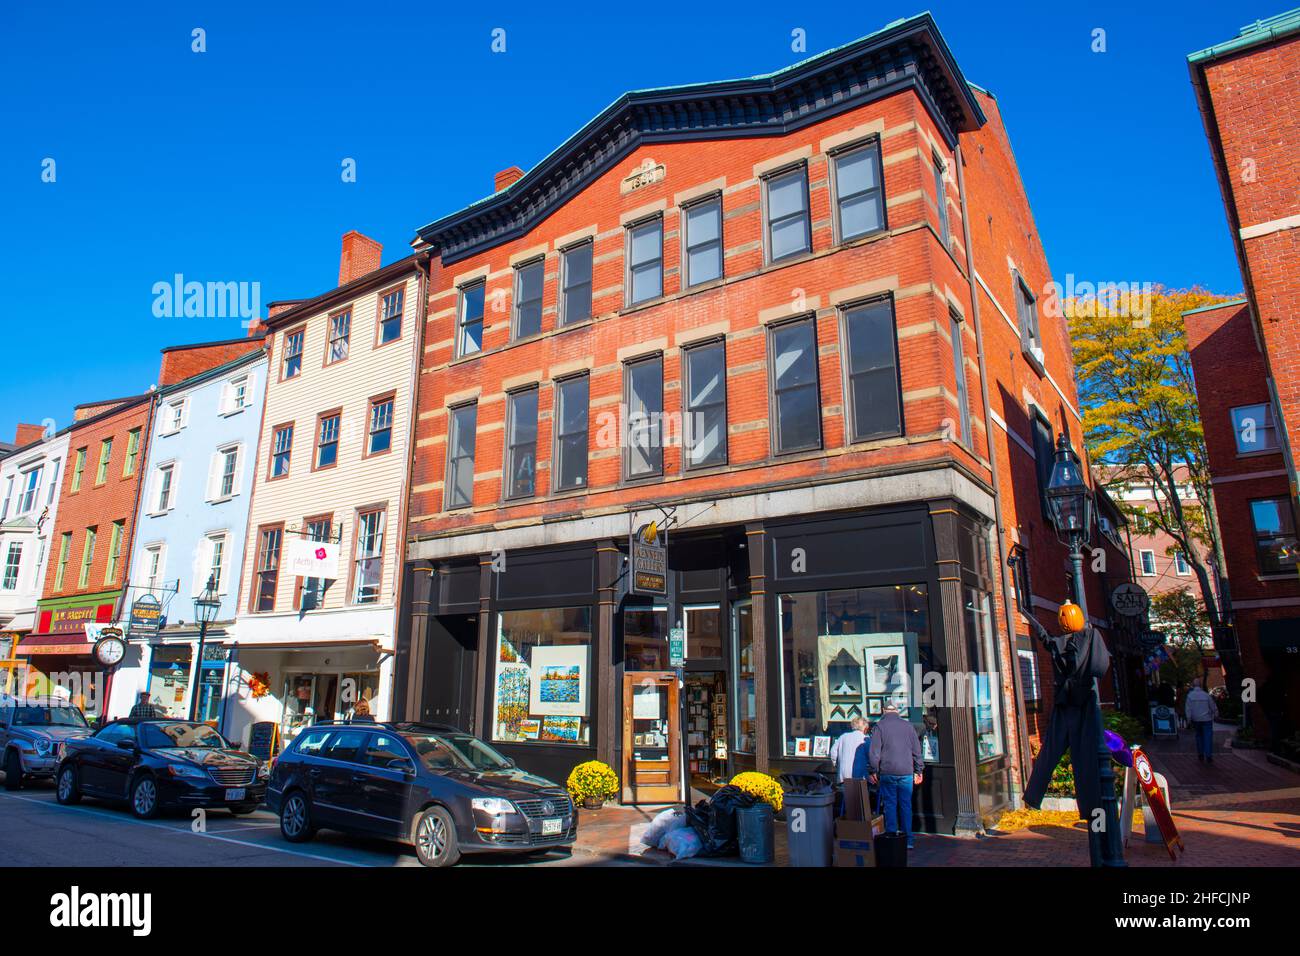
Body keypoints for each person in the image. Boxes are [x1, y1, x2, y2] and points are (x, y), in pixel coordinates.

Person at [868, 701, 923, 848]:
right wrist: (919, 770)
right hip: (906, 771)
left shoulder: (879, 726)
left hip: (887, 771)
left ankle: (892, 838)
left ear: (883, 710)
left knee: (890, 805)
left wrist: (873, 771)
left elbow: (874, 753)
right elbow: (917, 751)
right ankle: (908, 840)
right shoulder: (908, 726)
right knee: (906, 805)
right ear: (897, 711)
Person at [1184, 678, 1218, 763]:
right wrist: (1216, 713)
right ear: (1200, 685)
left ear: (1193, 685)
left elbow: (1188, 709)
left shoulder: (1190, 696)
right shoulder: (1206, 695)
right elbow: (1212, 706)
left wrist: (1188, 719)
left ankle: (1200, 754)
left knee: (1198, 736)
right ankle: (1208, 755)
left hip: (1196, 720)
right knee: (1208, 737)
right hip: (1207, 719)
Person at [830, 716, 870, 784]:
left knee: (845, 793)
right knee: (859, 794)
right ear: (865, 727)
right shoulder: (865, 739)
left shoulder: (843, 736)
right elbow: (871, 755)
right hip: (858, 774)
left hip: (843, 773)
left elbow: (833, 752)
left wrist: (836, 764)